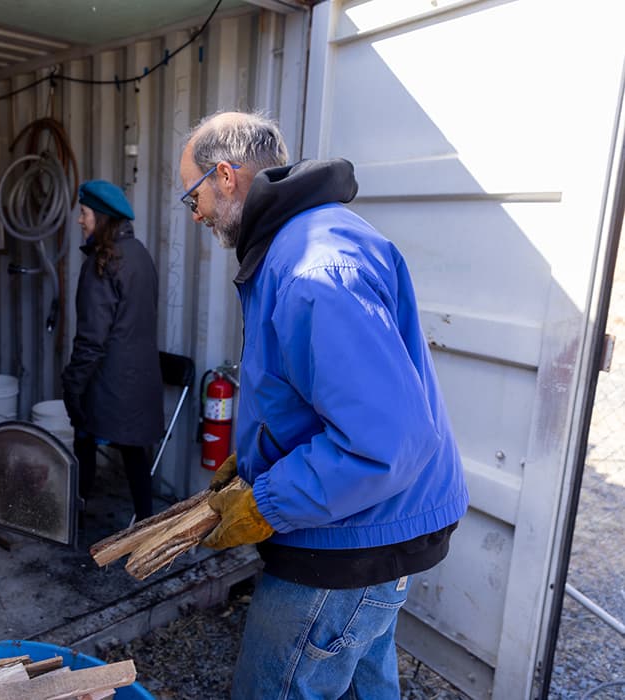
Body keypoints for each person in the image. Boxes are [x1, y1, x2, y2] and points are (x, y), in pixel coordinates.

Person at [179, 112, 469, 699]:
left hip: (347, 542)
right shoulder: (306, 239)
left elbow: (385, 443)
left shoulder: (314, 268)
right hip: (372, 532)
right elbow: (312, 399)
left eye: (194, 195)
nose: (197, 213)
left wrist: (266, 501)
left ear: (226, 176)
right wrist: (255, 461)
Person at [62, 180, 165, 524]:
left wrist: (72, 385)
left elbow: (91, 339)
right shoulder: (140, 255)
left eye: (85, 213)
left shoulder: (101, 264)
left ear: (102, 218)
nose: (80, 220)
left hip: (108, 384)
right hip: (141, 380)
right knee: (136, 453)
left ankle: (75, 517)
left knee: (83, 438)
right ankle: (146, 520)